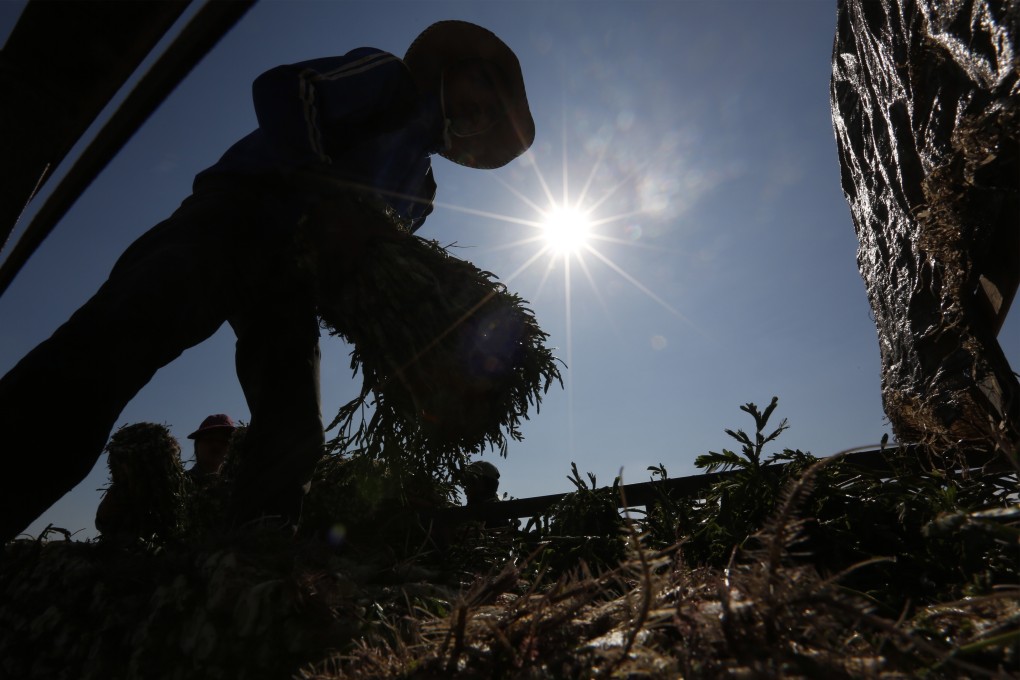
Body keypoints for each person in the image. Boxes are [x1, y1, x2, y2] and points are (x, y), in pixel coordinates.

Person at [0, 20, 535, 543]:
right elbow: (285, 87)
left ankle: (257, 551)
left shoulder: (421, 188)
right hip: (236, 213)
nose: (479, 110)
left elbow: (362, 260)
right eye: (482, 85)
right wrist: (324, 189)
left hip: (288, 277)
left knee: (294, 424)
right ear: (452, 68)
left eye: (489, 117)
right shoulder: (388, 82)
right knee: (120, 335)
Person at [185, 413, 237, 481]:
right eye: (210, 439)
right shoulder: (178, 482)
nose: (216, 445)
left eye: (224, 441)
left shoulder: (238, 484)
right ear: (197, 444)